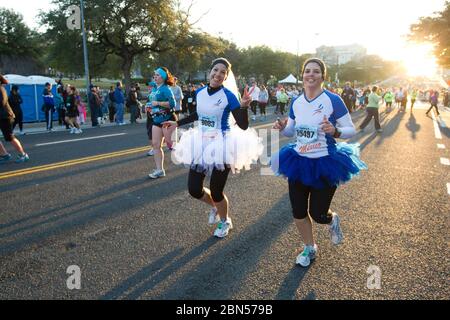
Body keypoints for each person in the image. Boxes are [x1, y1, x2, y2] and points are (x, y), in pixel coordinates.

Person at [271, 58, 366, 267]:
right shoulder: (296, 101)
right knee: (298, 211)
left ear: (323, 76)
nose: (310, 75)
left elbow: (351, 129)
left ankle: (332, 220)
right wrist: (282, 127)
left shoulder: (333, 100)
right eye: (307, 71)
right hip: (299, 161)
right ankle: (309, 247)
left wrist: (336, 131)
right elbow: (291, 131)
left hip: (325, 162)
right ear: (302, 75)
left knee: (318, 213)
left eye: (315, 71)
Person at [163, 57, 263, 238]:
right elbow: (198, 114)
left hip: (221, 145)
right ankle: (216, 208)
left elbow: (242, 125)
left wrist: (243, 107)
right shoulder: (200, 92)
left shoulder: (229, 96)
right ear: (210, 71)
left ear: (226, 77)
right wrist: (177, 122)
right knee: (194, 189)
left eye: (223, 72)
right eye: (216, 70)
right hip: (200, 142)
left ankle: (225, 221)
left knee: (216, 191)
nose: (218, 74)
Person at [147, 67, 177, 179]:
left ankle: (192, 160)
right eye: (154, 75)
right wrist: (149, 106)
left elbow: (172, 104)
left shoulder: (166, 89)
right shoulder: (154, 88)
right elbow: (151, 102)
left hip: (167, 119)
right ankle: (160, 170)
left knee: (172, 145)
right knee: (155, 145)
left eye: (158, 75)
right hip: (156, 120)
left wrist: (157, 103)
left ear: (163, 77)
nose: (155, 76)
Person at [0, 75, 29, 163]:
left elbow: (2, 102)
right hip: (1, 116)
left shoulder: (1, 89)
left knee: (9, 137)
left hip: (6, 117)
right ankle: (4, 154)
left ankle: (23, 155)